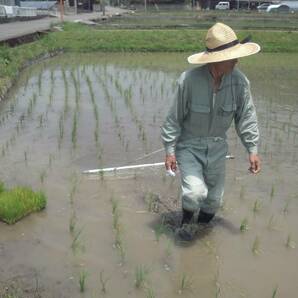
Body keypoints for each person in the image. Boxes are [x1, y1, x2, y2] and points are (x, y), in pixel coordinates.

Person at [161, 22, 261, 241]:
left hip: (217, 148)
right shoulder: (188, 81)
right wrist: (169, 150)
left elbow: (246, 117)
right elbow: (173, 118)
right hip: (189, 147)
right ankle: (186, 224)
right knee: (195, 193)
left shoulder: (240, 83)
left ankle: (201, 229)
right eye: (232, 56)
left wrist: (252, 149)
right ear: (217, 59)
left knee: (214, 200)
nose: (237, 60)